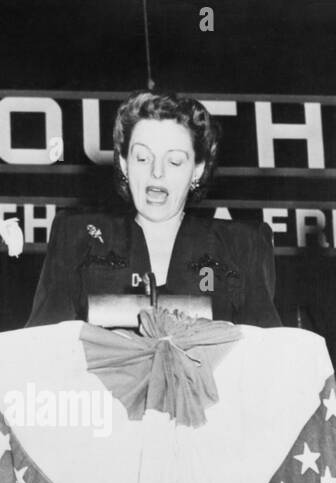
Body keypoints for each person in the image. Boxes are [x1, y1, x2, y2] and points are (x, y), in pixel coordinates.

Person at [26, 90, 283, 329]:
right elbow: (44, 346)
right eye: (142, 158)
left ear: (198, 169)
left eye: (174, 161)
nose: (156, 172)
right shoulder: (76, 236)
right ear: (125, 164)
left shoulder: (242, 244)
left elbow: (266, 356)